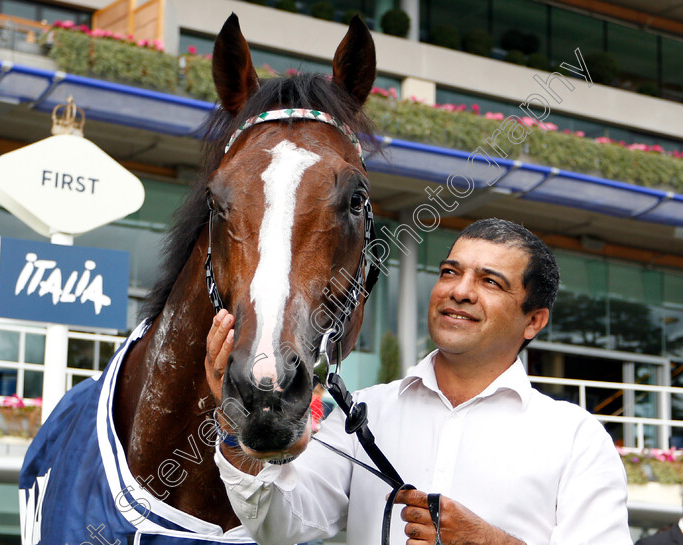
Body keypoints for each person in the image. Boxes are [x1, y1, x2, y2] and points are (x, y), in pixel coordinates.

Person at [204, 218, 632, 545]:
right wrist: (237, 420)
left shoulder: (577, 438)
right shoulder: (366, 412)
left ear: (534, 321)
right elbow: (280, 526)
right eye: (450, 272)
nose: (459, 291)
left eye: (489, 281)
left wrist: (489, 542)